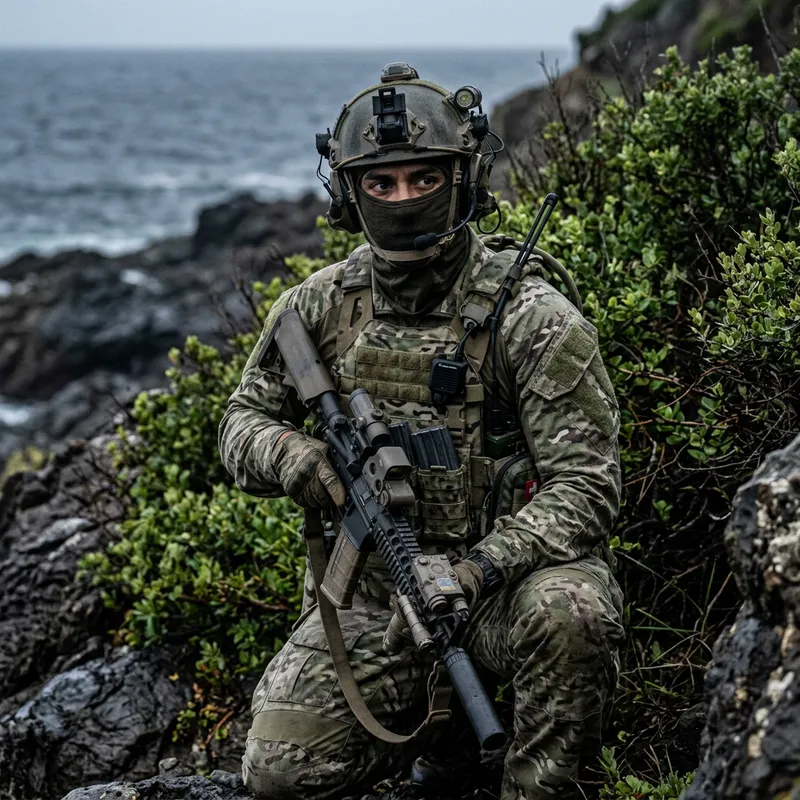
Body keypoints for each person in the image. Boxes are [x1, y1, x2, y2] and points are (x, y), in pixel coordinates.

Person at [218, 62, 624, 800]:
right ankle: (447, 738)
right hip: (376, 598)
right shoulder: (318, 307)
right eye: (382, 182)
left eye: (423, 179)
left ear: (461, 179)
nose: (403, 199)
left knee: (573, 613)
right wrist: (301, 457)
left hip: (504, 590)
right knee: (279, 771)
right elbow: (240, 423)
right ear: (348, 192)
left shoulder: (530, 316)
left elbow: (588, 488)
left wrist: (479, 568)